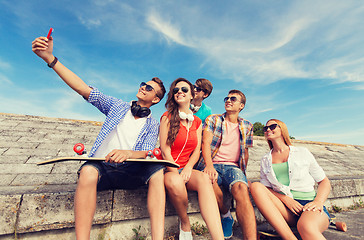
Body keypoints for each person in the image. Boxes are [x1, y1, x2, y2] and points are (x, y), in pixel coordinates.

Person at [32, 35, 167, 240]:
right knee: (87, 172)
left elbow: (148, 151)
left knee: (158, 172)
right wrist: (51, 59)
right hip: (103, 166)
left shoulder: (152, 123)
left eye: (149, 88)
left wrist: (128, 153)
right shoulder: (117, 106)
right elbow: (83, 89)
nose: (143, 87)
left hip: (131, 170)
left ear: (156, 99)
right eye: (143, 84)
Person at [159, 78, 224, 240]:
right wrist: (175, 172)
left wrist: (188, 168)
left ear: (191, 95)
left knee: (204, 178)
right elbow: (165, 150)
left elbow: (197, 150)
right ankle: (185, 222)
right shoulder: (166, 117)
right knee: (175, 181)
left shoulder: (196, 121)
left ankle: (218, 237)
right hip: (167, 168)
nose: (179, 92)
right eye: (176, 90)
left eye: (184, 89)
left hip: (185, 167)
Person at [250, 119, 331, 240]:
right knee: (256, 186)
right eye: (265, 128)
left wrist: (318, 202)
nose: (267, 130)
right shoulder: (265, 159)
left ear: (282, 129)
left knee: (306, 227)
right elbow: (266, 189)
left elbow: (324, 181)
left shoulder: (302, 152)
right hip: (285, 209)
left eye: (272, 126)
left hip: (308, 206)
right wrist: (286, 199)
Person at [199, 90, 257, 239]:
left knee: (241, 188)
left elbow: (245, 152)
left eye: (233, 99)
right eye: (227, 98)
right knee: (208, 180)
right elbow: (205, 143)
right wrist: (209, 165)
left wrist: (243, 175)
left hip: (233, 167)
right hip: (213, 163)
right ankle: (226, 215)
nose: (228, 100)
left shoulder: (247, 126)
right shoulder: (213, 119)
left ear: (241, 105)